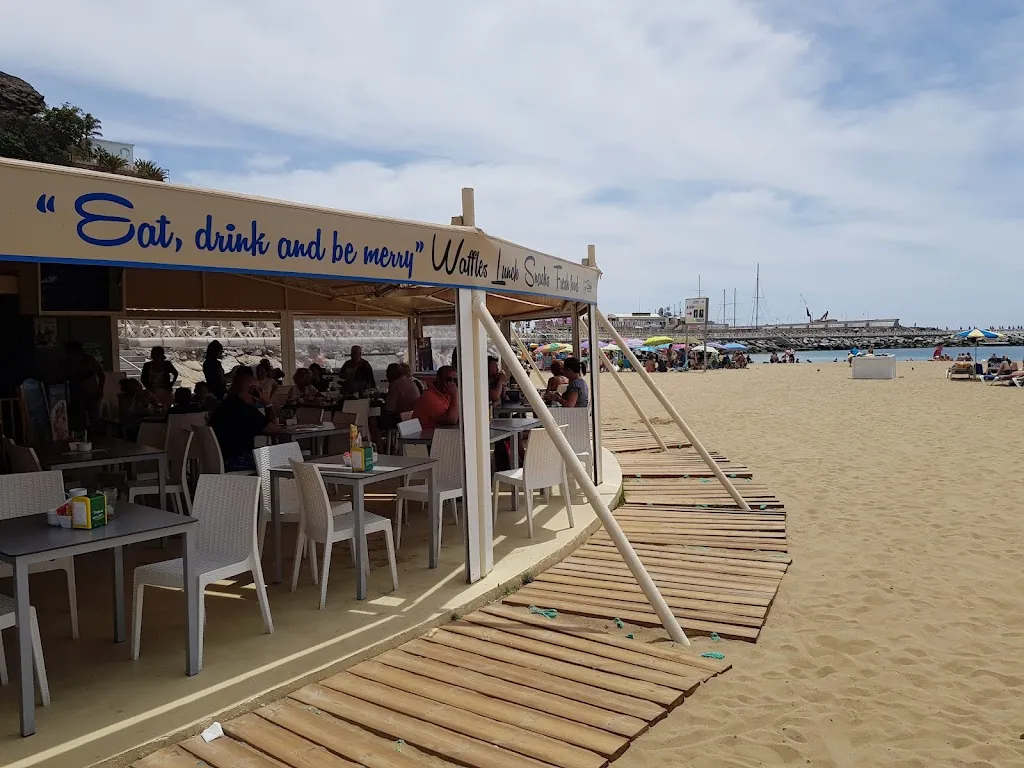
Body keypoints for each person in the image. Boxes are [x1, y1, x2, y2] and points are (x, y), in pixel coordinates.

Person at [208, 367, 279, 471]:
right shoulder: (246, 411)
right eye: (259, 389)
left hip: (218, 460)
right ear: (254, 391)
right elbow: (274, 428)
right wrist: (267, 403)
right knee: (281, 459)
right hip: (238, 461)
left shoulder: (223, 406)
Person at [63, 340, 105, 432]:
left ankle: (100, 437)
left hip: (92, 393)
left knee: (95, 418)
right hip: (76, 395)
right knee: (79, 420)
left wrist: (101, 389)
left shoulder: (89, 360)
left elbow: (101, 374)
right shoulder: (67, 363)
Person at [412, 365, 459, 430]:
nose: (453, 383)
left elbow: (460, 416)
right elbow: (451, 420)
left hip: (439, 433)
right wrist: (455, 395)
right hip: (427, 436)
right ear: (439, 379)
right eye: (449, 379)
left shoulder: (447, 394)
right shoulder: (429, 397)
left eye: (455, 380)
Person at [381, 363, 421, 428]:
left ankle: (378, 438)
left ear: (394, 374)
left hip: (402, 419)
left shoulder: (394, 384)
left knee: (373, 421)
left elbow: (389, 409)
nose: (386, 375)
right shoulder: (410, 382)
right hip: (414, 418)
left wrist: (380, 406)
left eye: (388, 373)